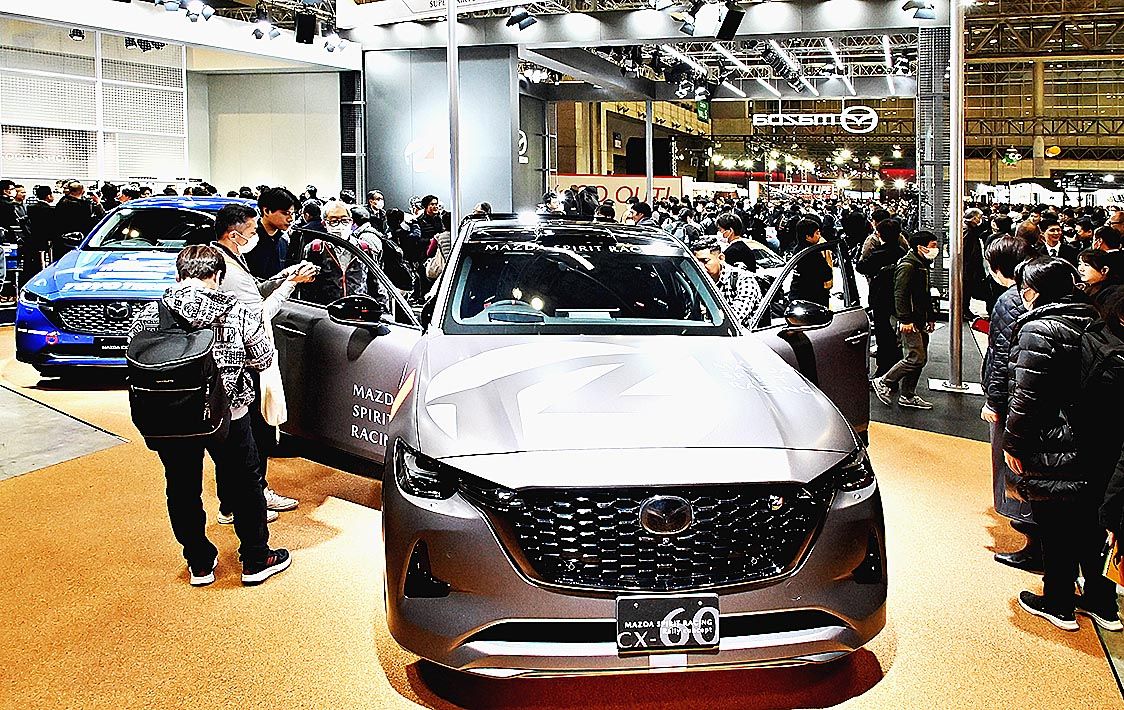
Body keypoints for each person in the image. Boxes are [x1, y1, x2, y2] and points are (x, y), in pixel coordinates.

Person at [129, 244, 291, 587]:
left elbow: (136, 360)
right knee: (245, 484)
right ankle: (255, 559)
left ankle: (200, 563)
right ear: (217, 276)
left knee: (181, 488)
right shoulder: (237, 310)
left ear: (179, 275)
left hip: (170, 417)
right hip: (229, 413)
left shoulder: (149, 313)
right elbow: (262, 360)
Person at [1004, 257, 1118, 632]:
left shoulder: (1039, 328)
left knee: (1055, 526)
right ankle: (1103, 604)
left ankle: (1058, 604)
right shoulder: (1093, 316)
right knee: (1091, 524)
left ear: (1034, 291)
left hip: (1053, 441)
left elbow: (1026, 397)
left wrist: (1013, 444)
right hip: (1098, 439)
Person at [212, 204, 316, 521]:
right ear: (234, 234)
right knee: (253, 434)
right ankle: (251, 497)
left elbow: (253, 294)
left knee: (239, 436)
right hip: (245, 361)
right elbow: (259, 315)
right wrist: (290, 285)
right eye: (252, 230)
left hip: (233, 359)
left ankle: (236, 500)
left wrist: (283, 277)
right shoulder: (229, 269)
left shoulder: (225, 260)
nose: (256, 235)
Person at [980, 235, 1039, 572]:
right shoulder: (1054, 294)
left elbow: (1001, 356)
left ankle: (1033, 542)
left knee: (1014, 467)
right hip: (1041, 398)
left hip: (1014, 398)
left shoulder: (1010, 300)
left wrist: (993, 400)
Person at [872, 231, 939, 410]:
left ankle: (908, 395)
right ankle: (884, 381)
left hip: (918, 318)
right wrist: (905, 319)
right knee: (915, 357)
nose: (936, 249)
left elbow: (924, 294)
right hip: (909, 320)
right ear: (920, 247)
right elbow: (900, 294)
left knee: (920, 358)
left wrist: (930, 316)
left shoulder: (921, 264)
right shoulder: (908, 266)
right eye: (933, 245)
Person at [858, 218, 908, 379]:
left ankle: (884, 371)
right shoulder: (903, 253)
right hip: (899, 298)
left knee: (883, 334)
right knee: (895, 335)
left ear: (879, 234)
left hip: (881, 298)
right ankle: (896, 365)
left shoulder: (878, 254)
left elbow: (861, 267)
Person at [689, 233, 761, 329]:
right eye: (696, 262)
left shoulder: (743, 279)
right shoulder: (696, 281)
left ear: (721, 258)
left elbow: (733, 318)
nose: (700, 267)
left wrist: (711, 313)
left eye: (705, 261)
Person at [245, 188, 296, 280]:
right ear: (267, 211)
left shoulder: (284, 239)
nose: (290, 219)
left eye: (292, 214)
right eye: (285, 213)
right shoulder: (248, 238)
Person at [789, 218, 833, 307]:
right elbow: (827, 274)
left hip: (797, 296)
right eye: (817, 233)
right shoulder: (813, 253)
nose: (819, 236)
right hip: (813, 299)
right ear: (808, 237)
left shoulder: (797, 250)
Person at [52, 181, 100, 256]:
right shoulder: (84, 205)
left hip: (62, 241)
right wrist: (97, 203)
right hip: (79, 241)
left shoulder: (61, 203)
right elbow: (90, 221)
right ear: (82, 191)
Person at [22, 186, 56, 282]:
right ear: (48, 196)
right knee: (44, 260)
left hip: (33, 238)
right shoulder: (49, 210)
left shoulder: (30, 208)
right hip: (45, 239)